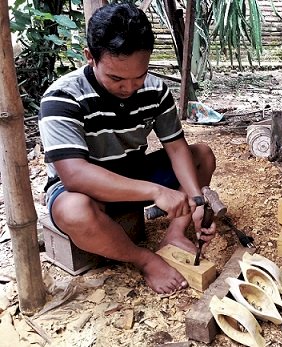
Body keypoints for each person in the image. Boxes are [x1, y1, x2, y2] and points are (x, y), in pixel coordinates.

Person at [38, 3, 217, 294]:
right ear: (90, 57)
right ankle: (143, 259)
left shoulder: (156, 90)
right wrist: (156, 192)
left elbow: (175, 148)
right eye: (117, 78)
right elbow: (75, 175)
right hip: (87, 190)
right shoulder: (62, 97)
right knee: (75, 211)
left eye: (139, 76)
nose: (129, 87)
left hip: (135, 175)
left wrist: (196, 201)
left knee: (202, 156)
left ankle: (173, 235)